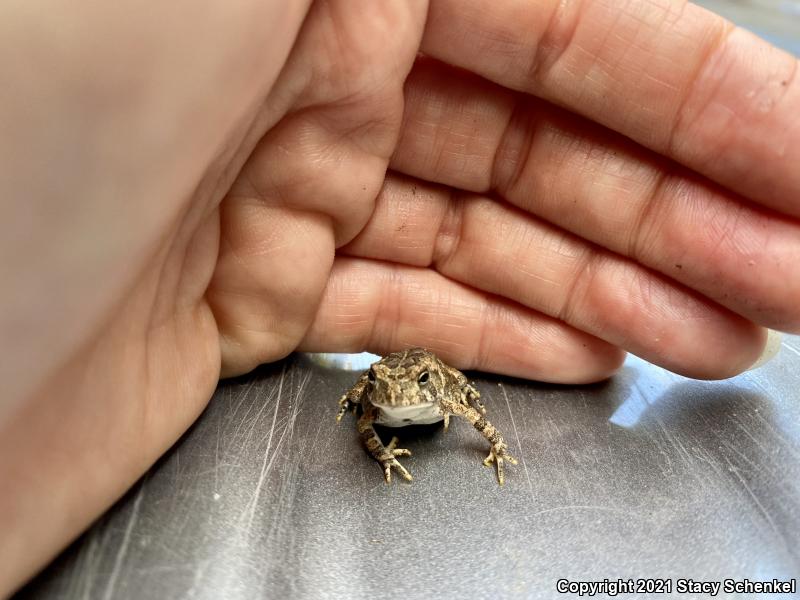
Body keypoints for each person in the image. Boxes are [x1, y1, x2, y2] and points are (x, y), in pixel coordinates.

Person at [1, 0, 798, 594]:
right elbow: (366, 404)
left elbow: (468, 406)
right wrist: (375, 432)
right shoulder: (381, 398)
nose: (389, 395)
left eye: (394, 390)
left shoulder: (437, 391)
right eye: (385, 391)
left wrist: (490, 442)